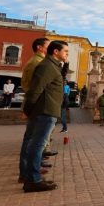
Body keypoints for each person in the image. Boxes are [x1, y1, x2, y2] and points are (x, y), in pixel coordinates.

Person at [21, 40, 68, 192]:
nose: (67, 54)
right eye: (65, 51)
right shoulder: (47, 66)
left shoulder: (52, 66)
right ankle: (33, 180)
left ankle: (31, 177)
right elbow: (35, 90)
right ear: (56, 52)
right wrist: (28, 110)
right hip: (45, 110)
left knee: (35, 144)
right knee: (37, 145)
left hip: (46, 110)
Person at [18, 37, 52, 184]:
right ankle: (28, 173)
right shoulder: (37, 63)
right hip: (38, 104)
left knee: (32, 139)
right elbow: (36, 87)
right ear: (39, 47)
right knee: (33, 140)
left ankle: (30, 170)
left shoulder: (38, 61)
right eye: (48, 45)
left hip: (36, 103)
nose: (51, 48)